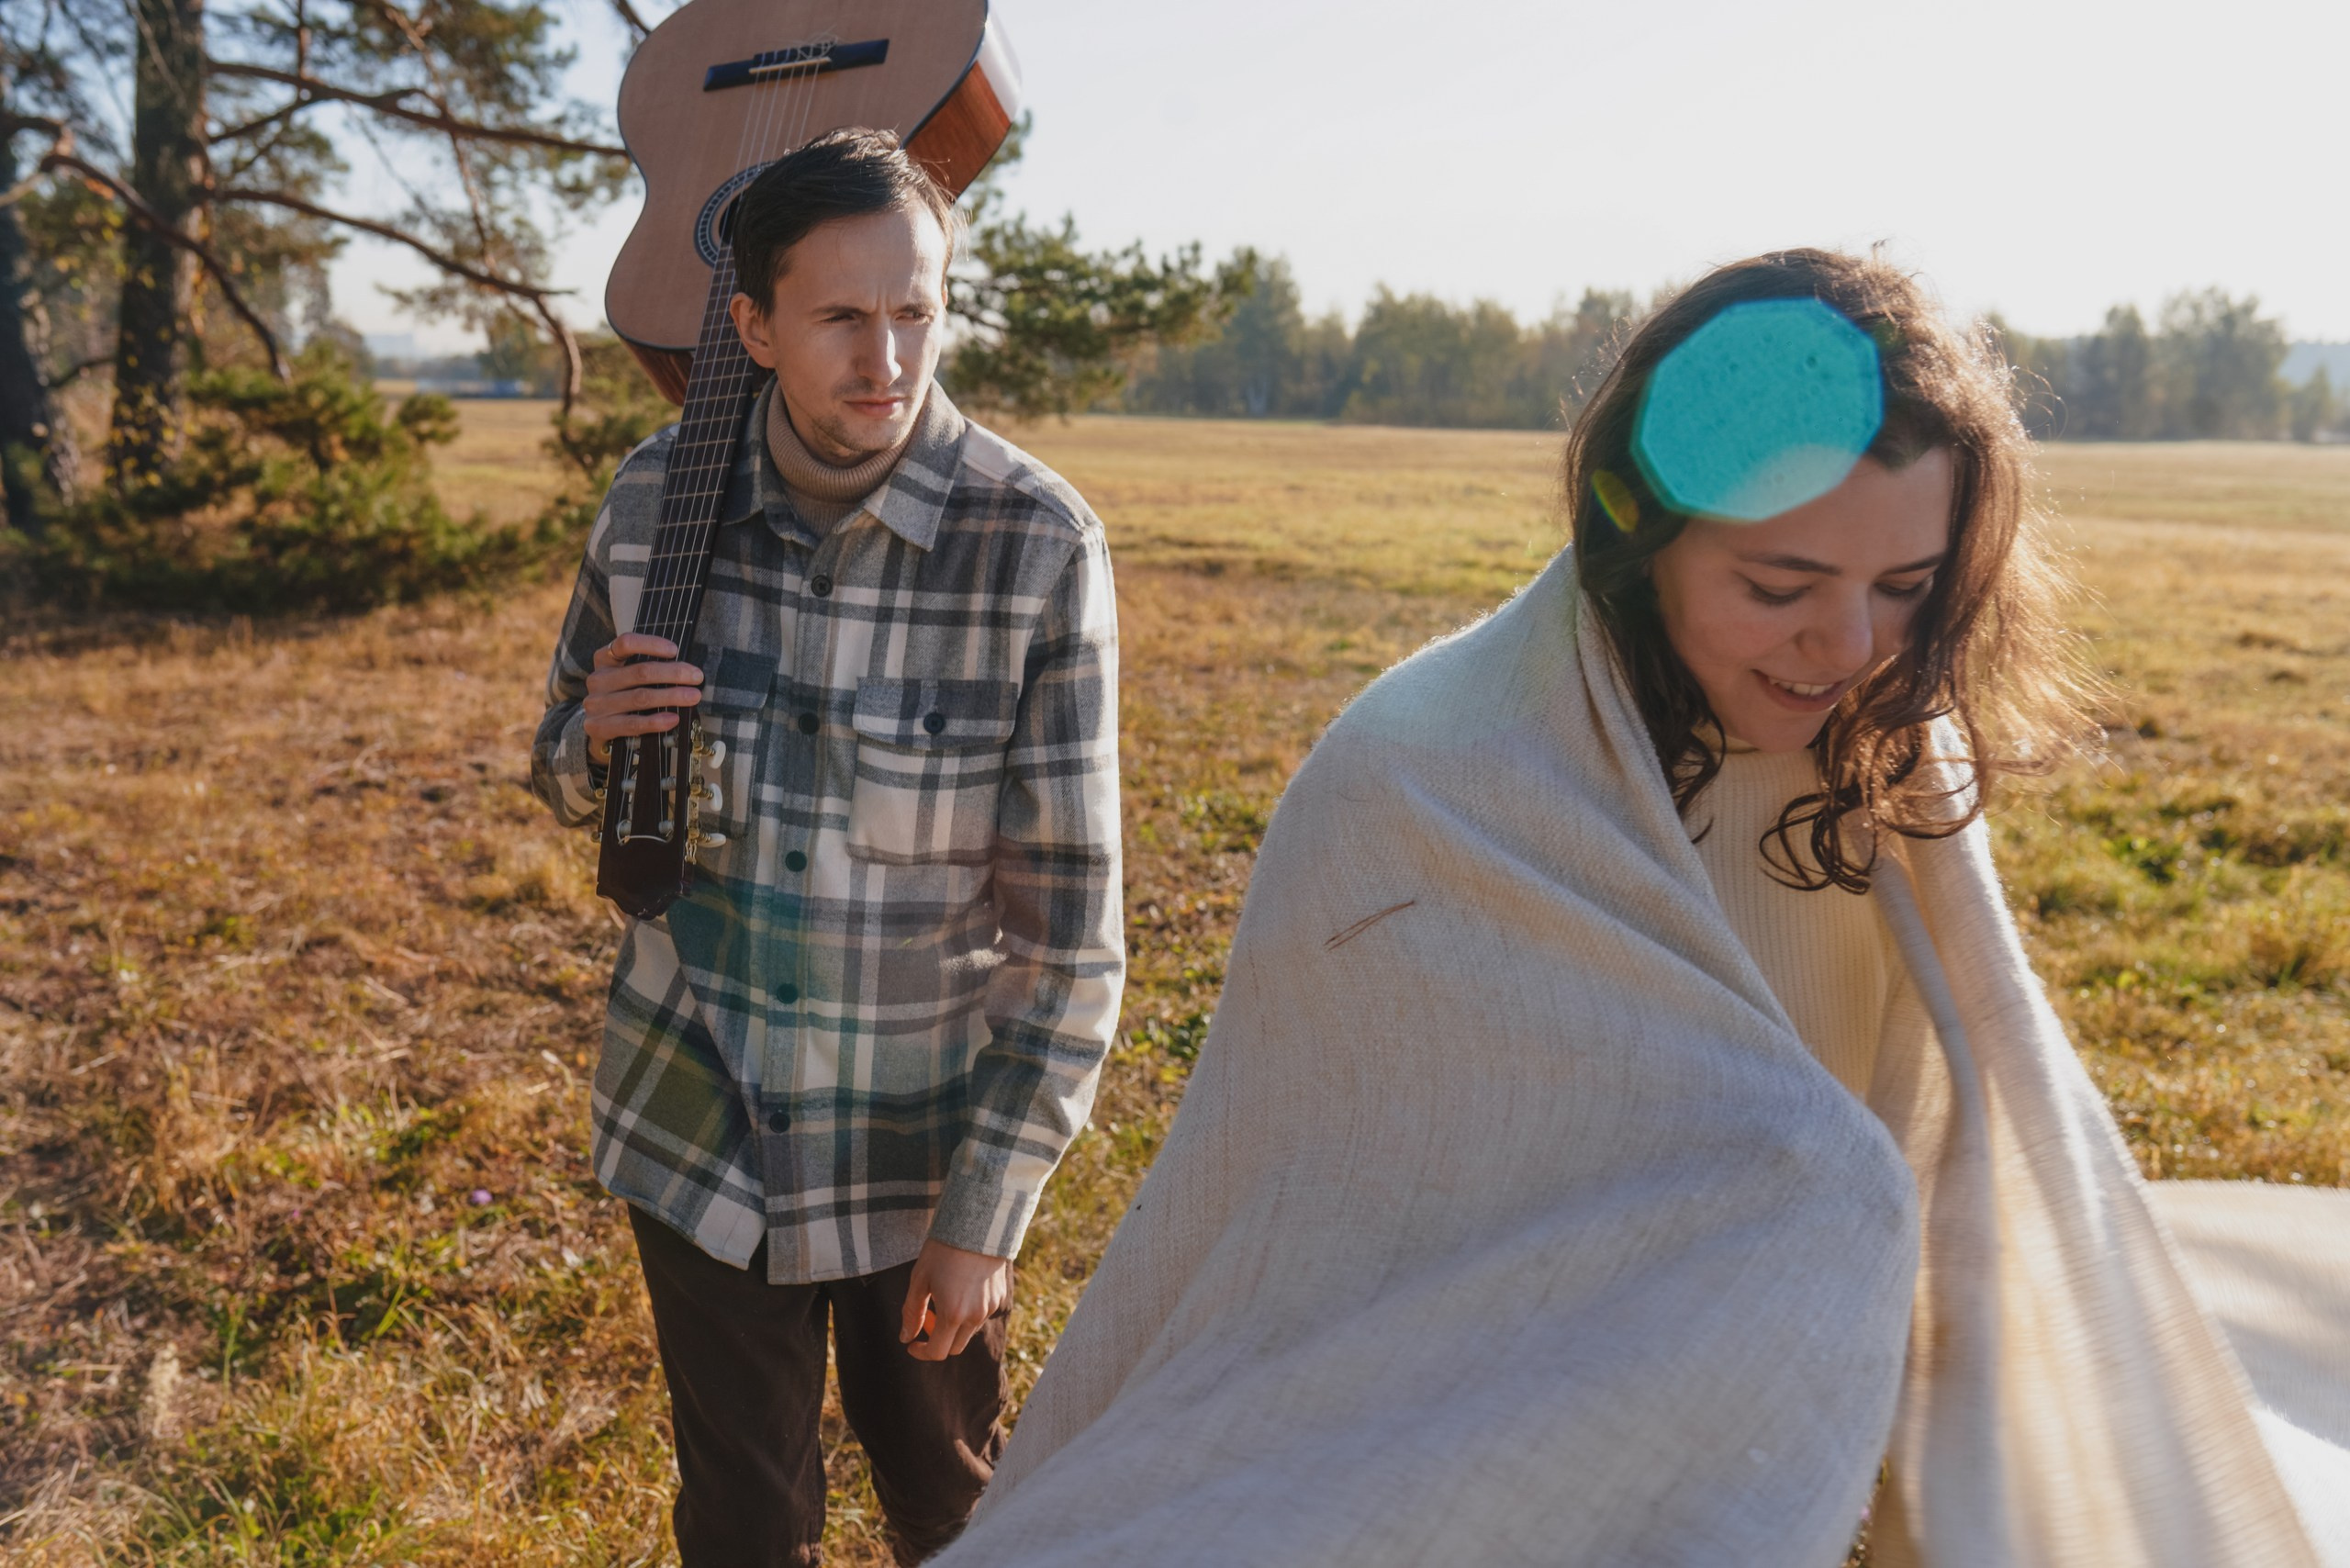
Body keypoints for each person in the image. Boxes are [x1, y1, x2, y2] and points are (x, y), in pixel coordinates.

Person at [931, 250, 2350, 1567]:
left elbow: (1917, 1162)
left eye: (1907, 588)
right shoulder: (1423, 779)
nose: (1848, 645)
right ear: (1641, 527)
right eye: (1779, 583)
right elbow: (1327, 1236)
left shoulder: (1891, 755)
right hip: (1444, 1435)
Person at [528, 129, 1124, 1567]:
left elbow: (1072, 937)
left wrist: (985, 1217)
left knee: (948, 1504)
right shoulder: (651, 506)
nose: (888, 358)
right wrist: (591, 740)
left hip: (915, 1147)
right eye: (844, 317)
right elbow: (556, 767)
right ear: (752, 327)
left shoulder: (1034, 546)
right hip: (696, 1119)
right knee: (742, 1523)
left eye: (917, 310)